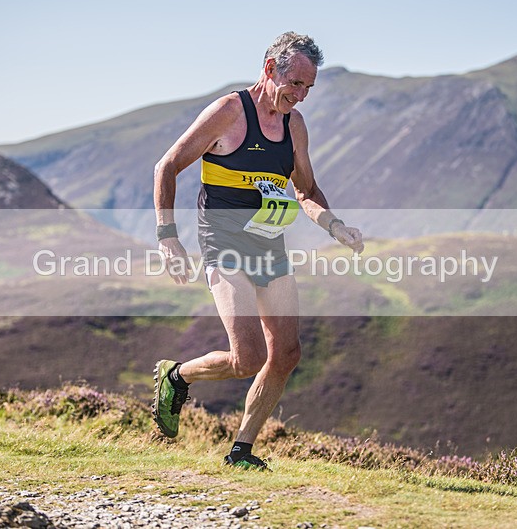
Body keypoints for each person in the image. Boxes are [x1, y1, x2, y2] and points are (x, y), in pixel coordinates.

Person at [152, 31, 364, 470]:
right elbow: (167, 166)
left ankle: (241, 451)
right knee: (246, 358)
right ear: (270, 70)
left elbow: (305, 189)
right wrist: (168, 236)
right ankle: (177, 376)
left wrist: (334, 225)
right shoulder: (229, 112)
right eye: (295, 85)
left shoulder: (294, 125)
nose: (301, 96)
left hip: (269, 244)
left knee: (286, 353)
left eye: (309, 88)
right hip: (223, 242)